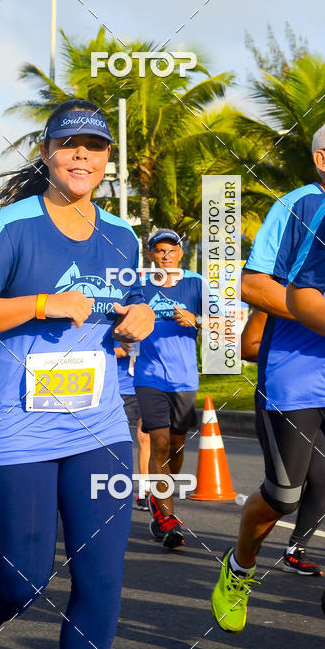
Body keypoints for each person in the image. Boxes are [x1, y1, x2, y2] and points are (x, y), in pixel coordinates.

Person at [0, 99, 155, 649]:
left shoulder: (122, 234)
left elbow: (133, 306)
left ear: (108, 159)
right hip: (20, 428)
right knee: (25, 577)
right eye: (69, 144)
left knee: (100, 579)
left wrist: (139, 318)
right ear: (46, 153)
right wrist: (40, 303)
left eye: (94, 145)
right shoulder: (13, 226)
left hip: (100, 428)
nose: (82, 155)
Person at [211, 117, 325, 632]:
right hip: (297, 378)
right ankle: (239, 568)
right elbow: (252, 285)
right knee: (284, 494)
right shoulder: (299, 208)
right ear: (322, 157)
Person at [240, 309, 325, 575]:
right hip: (289, 397)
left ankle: (296, 548)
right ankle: (240, 563)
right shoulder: (279, 295)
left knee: (324, 477)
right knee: (284, 498)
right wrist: (303, 354)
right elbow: (247, 347)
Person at [133, 229, 203, 549]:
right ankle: (166, 517)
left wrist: (197, 320)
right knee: (158, 442)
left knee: (176, 445)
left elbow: (223, 324)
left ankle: (162, 495)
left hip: (185, 379)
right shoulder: (140, 287)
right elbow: (122, 321)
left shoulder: (196, 284)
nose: (166, 255)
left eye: (172, 249)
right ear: (151, 256)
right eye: (159, 250)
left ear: (180, 253)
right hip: (149, 377)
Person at [114, 341, 150, 509]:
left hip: (146, 387)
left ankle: (145, 491)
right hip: (119, 389)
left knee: (145, 438)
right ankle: (114, 487)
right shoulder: (116, 322)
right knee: (117, 442)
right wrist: (118, 351)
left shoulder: (150, 323)